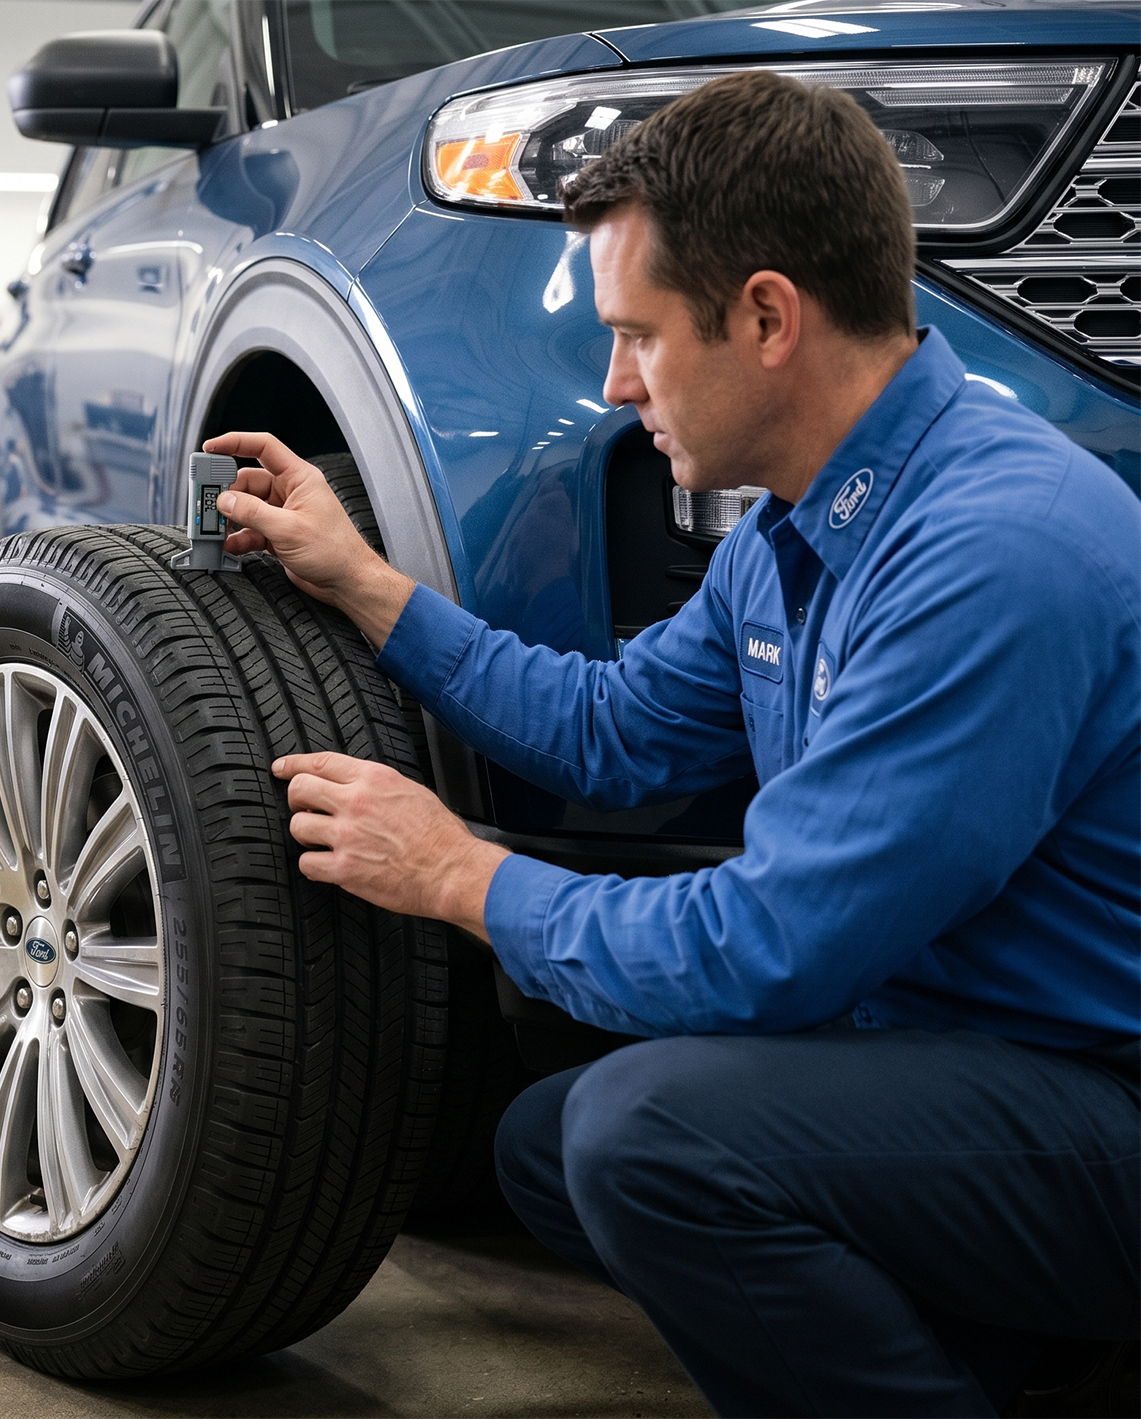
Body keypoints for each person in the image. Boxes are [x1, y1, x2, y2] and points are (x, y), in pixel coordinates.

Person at [204, 70, 1141, 1419]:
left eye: (637, 334)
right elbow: (613, 732)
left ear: (766, 317)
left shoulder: (998, 546)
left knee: (647, 1137)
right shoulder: (790, 528)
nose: (613, 378)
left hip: (1099, 1096)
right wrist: (365, 581)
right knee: (547, 1147)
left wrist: (458, 873)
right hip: (962, 1055)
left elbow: (770, 949)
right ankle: (1021, 1352)